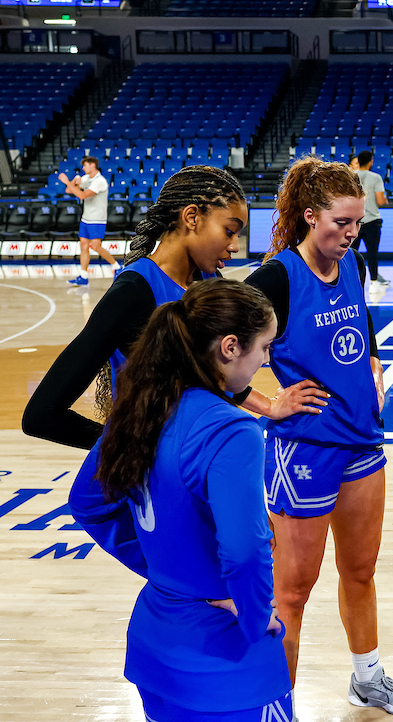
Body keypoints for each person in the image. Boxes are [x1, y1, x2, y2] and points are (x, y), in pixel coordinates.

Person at [242, 157, 393, 717]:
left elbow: (361, 324)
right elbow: (210, 359)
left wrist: (370, 368)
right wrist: (268, 404)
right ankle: (277, 705)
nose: (351, 233)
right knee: (292, 593)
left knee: (361, 572)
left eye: (357, 223)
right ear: (308, 216)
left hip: (362, 445)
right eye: (341, 223)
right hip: (303, 451)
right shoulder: (274, 278)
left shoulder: (351, 263)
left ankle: (367, 678)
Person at [68, 279, 291, 721]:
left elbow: (88, 503)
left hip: (156, 643)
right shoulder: (232, 431)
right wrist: (253, 616)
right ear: (230, 347)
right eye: (265, 346)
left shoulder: (141, 408)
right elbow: (245, 552)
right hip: (223, 662)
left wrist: (163, 568)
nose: (268, 359)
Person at [22, 166, 254, 449]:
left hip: (196, 461)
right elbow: (41, 415)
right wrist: (134, 448)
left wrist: (270, 406)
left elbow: (210, 376)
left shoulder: (209, 279)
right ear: (191, 217)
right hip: (147, 485)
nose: (234, 245)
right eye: (229, 231)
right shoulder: (133, 292)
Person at [61, 156, 118, 286]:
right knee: (84, 246)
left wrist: (67, 181)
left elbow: (82, 195)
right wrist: (74, 182)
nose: (83, 168)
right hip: (86, 218)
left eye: (85, 165)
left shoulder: (100, 181)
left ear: (93, 165)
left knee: (96, 246)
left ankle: (116, 266)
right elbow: (69, 190)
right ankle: (83, 276)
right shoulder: (86, 178)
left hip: (97, 219)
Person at [352, 149, 389, 287]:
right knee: (372, 253)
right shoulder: (375, 177)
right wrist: (383, 200)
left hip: (354, 221)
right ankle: (374, 282)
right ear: (370, 162)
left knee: (350, 253)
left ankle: (350, 281)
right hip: (372, 220)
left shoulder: (350, 175)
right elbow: (379, 200)